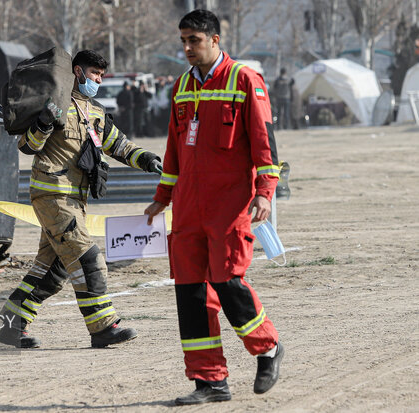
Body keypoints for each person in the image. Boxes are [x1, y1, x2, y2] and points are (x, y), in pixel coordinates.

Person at [144, 10, 284, 405]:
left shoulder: (244, 80)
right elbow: (174, 147)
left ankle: (267, 347)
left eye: (195, 40)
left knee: (227, 282)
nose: (187, 48)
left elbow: (264, 142)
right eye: (183, 41)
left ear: (215, 40)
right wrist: (162, 195)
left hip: (229, 203)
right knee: (189, 292)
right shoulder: (181, 86)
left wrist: (264, 191)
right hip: (188, 207)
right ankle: (209, 381)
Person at [0, 50, 163, 349]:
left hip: (75, 200)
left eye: (101, 75)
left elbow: (119, 145)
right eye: (94, 74)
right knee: (89, 259)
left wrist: (147, 159)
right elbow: (28, 146)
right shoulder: (56, 105)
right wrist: (45, 122)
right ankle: (102, 327)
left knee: (52, 270)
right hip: (53, 194)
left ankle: (11, 323)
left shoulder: (94, 111)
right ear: (77, 71)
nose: (98, 80)